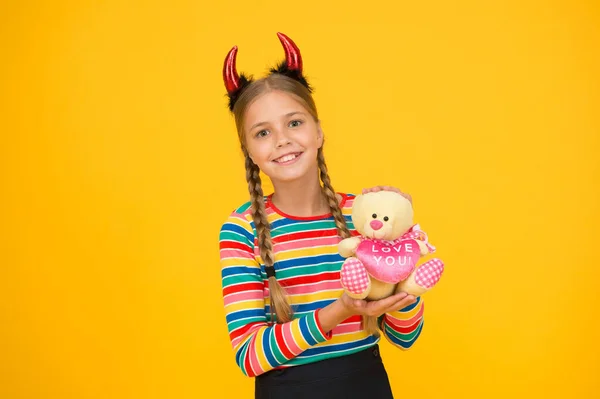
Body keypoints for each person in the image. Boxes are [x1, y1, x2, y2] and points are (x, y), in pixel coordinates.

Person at [218, 32, 425, 399]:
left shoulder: (363, 216)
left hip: (368, 386)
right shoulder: (242, 229)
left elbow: (405, 336)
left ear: (318, 132)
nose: (282, 139)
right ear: (248, 151)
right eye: (263, 132)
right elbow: (250, 357)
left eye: (294, 123)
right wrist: (340, 310)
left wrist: (405, 267)